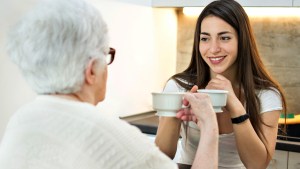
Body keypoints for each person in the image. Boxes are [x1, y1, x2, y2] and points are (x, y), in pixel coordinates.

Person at [0, 0, 219, 168]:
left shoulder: (20, 120)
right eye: (106, 55)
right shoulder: (112, 138)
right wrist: (209, 125)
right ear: (91, 71)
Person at [155, 0, 287, 168]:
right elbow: (161, 157)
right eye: (205, 38)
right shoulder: (178, 86)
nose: (213, 48)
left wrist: (234, 105)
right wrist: (176, 112)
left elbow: (258, 165)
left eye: (224, 38)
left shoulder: (266, 95)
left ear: (242, 40)